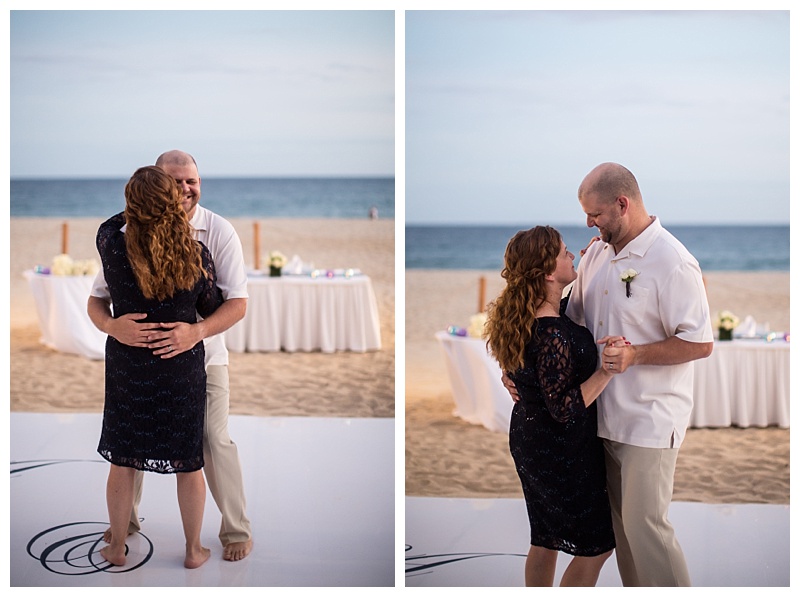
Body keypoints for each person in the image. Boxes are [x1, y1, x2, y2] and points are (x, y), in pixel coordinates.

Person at [508, 163, 714, 586]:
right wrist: (519, 372)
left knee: (647, 531)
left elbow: (700, 342)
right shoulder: (597, 254)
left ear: (622, 204)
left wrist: (635, 356)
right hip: (595, 422)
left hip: (648, 421)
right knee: (623, 537)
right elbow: (565, 322)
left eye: (595, 213)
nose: (588, 222)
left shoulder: (673, 262)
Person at [88, 150, 254, 561]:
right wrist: (113, 326)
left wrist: (194, 331)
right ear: (161, 187)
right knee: (141, 450)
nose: (185, 189)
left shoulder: (216, 231)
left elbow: (237, 303)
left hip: (203, 355)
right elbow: (98, 298)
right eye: (175, 182)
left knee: (210, 441)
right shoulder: (133, 239)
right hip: (164, 365)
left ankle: (235, 530)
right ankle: (129, 526)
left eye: (191, 181)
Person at [484, 226, 625, 587]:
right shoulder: (551, 332)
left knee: (545, 537)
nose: (572, 256)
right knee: (596, 546)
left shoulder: (526, 316)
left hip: (530, 437)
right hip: (560, 448)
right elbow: (563, 408)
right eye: (565, 253)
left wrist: (595, 257)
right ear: (548, 272)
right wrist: (606, 372)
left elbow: (537, 353)